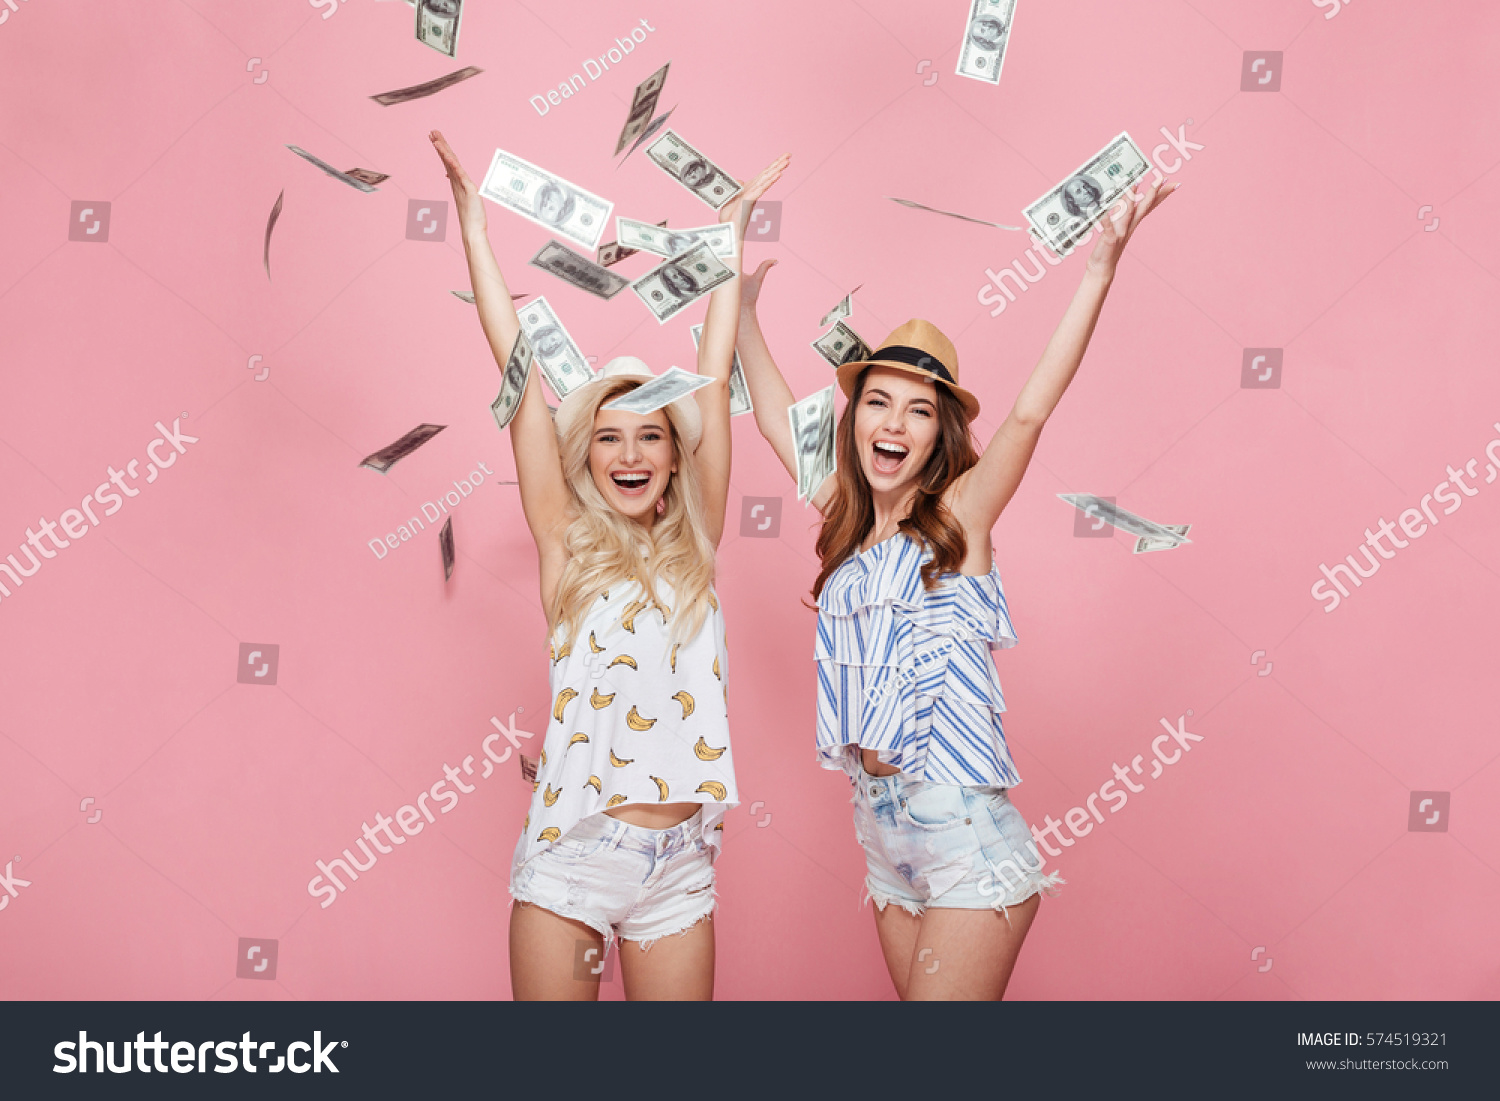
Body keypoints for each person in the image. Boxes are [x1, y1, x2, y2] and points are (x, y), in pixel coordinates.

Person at [735, 175, 1178, 1000]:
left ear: (941, 432)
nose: (893, 425)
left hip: (966, 835)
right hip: (881, 834)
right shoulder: (843, 522)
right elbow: (769, 417)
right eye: (878, 404)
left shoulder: (959, 518)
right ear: (855, 418)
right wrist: (743, 308)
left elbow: (1029, 414)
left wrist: (1100, 268)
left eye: (918, 410)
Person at [430, 129, 789, 1000]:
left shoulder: (698, 545)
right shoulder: (565, 543)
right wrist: (475, 229)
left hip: (678, 869)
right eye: (608, 437)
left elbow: (710, 377)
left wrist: (728, 231)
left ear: (674, 458)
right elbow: (517, 381)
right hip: (571, 863)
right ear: (587, 456)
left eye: (650, 437)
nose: (629, 453)